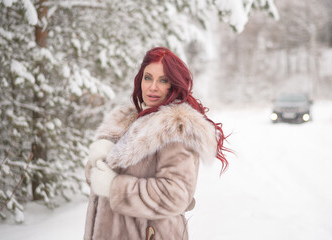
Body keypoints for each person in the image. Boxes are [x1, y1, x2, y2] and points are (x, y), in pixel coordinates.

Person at [84, 47, 230, 240]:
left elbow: (175, 194)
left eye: (163, 80)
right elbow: (98, 181)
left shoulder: (174, 129)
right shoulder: (126, 122)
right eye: (148, 78)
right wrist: (97, 162)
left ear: (174, 85)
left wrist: (114, 187)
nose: (153, 87)